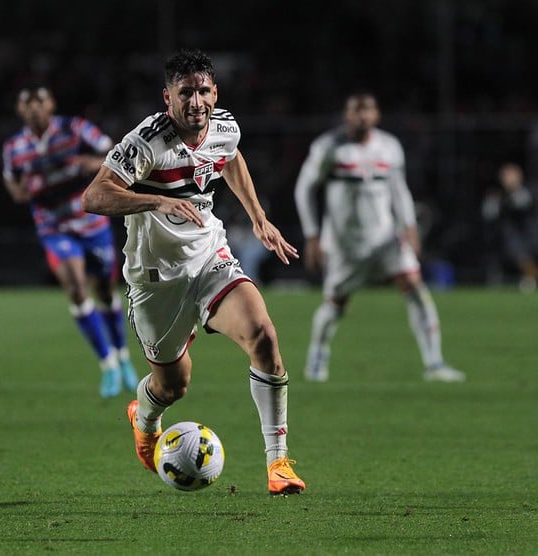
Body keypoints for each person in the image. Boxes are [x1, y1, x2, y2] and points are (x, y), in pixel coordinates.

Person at [82, 48, 306, 495]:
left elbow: (232, 157)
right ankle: (143, 418)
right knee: (173, 385)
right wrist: (157, 200)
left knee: (263, 335)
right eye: (185, 93)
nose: (196, 101)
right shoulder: (146, 142)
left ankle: (278, 463)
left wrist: (259, 217)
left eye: (203, 90)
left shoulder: (224, 126)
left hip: (209, 258)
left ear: (215, 91)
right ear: (168, 98)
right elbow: (94, 197)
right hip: (155, 279)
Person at [294, 92, 465, 383]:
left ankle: (434, 363)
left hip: (387, 238)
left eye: (368, 110)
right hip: (346, 244)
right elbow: (304, 189)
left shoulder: (389, 147)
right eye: (356, 110)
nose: (362, 116)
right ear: (346, 115)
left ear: (377, 115)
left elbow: (399, 189)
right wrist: (312, 234)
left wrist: (409, 225)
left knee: (415, 288)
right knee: (336, 304)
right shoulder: (329, 147)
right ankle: (317, 360)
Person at [2, 85, 138, 398]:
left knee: (104, 290)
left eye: (40, 101)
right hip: (54, 227)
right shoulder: (15, 146)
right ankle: (107, 365)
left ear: (51, 104)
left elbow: (112, 151)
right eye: (27, 102)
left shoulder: (74, 129)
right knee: (77, 287)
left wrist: (87, 165)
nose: (34, 107)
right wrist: (28, 189)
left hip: (92, 222)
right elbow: (15, 189)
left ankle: (122, 356)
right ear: (20, 110)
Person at [481, 162, 538, 292]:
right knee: (514, 246)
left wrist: (512, 191)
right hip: (511, 239)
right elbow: (488, 215)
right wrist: (496, 200)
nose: (508, 179)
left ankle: (531, 276)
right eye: (505, 176)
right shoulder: (495, 194)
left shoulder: (529, 190)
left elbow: (523, 203)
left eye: (511, 175)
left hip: (532, 234)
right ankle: (532, 275)